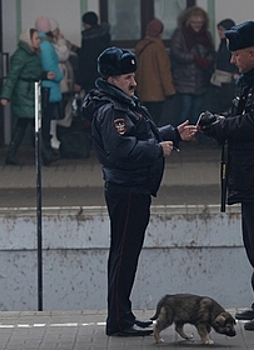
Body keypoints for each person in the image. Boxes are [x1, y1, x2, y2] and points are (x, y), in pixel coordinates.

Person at [80, 46, 196, 337]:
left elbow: (143, 132)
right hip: (127, 188)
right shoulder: (113, 110)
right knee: (124, 255)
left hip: (133, 187)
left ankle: (123, 314)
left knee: (126, 254)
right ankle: (119, 321)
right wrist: (157, 150)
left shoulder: (124, 102)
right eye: (127, 77)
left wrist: (172, 134)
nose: (133, 82)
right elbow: (122, 150)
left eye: (133, 76)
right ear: (111, 79)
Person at [198, 21, 254, 331]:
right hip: (251, 176)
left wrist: (221, 127)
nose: (232, 60)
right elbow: (243, 119)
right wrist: (218, 122)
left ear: (253, 53)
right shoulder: (253, 81)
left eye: (236, 54)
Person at [0, 28, 52, 166]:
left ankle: (12, 155)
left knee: (23, 125)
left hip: (28, 92)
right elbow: (12, 76)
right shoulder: (22, 56)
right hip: (25, 93)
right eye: (36, 38)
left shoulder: (30, 54)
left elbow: (31, 72)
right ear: (28, 40)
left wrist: (45, 75)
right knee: (33, 124)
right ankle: (45, 154)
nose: (38, 41)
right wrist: (5, 95)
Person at [170, 6, 215, 125]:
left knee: (197, 111)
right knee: (185, 109)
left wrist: (207, 60)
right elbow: (175, 53)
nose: (197, 25)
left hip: (201, 80)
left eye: (200, 22)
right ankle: (180, 136)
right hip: (184, 79)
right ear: (188, 22)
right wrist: (194, 58)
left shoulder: (206, 35)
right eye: (194, 22)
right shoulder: (180, 34)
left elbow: (211, 52)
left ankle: (194, 136)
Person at [134, 19, 175, 125]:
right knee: (155, 120)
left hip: (143, 90)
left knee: (146, 118)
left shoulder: (141, 46)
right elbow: (164, 71)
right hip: (156, 92)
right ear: (160, 32)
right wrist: (170, 91)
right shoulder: (158, 47)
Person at [35, 16, 63, 165]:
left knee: (44, 122)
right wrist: (60, 75)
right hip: (49, 87)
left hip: (45, 86)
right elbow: (50, 67)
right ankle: (46, 152)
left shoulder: (40, 42)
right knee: (46, 122)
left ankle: (45, 150)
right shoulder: (46, 45)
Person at [49, 18, 76, 149]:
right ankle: (52, 138)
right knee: (54, 113)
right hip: (57, 82)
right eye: (56, 29)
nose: (59, 32)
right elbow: (63, 55)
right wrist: (62, 42)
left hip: (61, 82)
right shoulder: (52, 45)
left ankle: (55, 137)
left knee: (60, 111)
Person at [204, 19, 239, 114]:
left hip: (227, 81)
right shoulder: (222, 44)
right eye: (219, 30)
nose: (220, 32)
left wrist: (236, 73)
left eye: (222, 30)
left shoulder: (233, 45)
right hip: (218, 79)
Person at [74, 11, 110, 96]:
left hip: (90, 79)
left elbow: (85, 61)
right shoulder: (104, 36)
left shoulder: (88, 38)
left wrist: (79, 82)